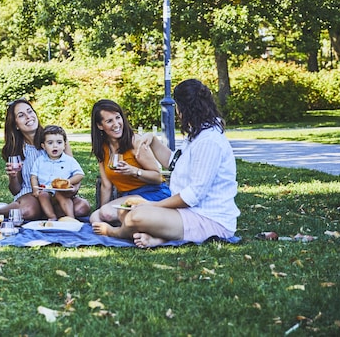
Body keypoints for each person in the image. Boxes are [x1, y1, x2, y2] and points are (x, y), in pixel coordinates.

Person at [97, 79, 240, 248]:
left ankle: (116, 233)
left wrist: (152, 205)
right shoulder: (198, 134)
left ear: (184, 109)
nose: (177, 113)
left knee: (135, 216)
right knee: (126, 209)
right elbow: (174, 163)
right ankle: (159, 238)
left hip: (209, 220)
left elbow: (193, 195)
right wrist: (153, 140)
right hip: (187, 213)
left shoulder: (209, 141)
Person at [0, 99, 90, 220]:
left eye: (30, 111)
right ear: (15, 125)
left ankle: (47, 213)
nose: (28, 117)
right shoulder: (16, 149)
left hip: (58, 194)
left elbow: (72, 169)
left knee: (82, 208)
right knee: (28, 211)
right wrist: (13, 176)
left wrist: (71, 189)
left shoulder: (55, 139)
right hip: (31, 194)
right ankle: (1, 209)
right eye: (21, 115)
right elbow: (15, 190)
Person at [89, 99, 171, 234]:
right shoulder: (102, 148)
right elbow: (106, 185)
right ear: (99, 125)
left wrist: (134, 171)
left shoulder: (135, 142)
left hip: (153, 194)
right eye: (109, 121)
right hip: (128, 197)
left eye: (118, 118)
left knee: (107, 213)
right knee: (95, 217)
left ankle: (123, 230)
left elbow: (157, 177)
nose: (116, 124)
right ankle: (136, 227)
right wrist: (102, 212)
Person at [29, 125, 88, 220]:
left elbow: (80, 175)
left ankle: (71, 218)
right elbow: (34, 176)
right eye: (50, 143)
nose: (55, 146)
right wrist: (35, 190)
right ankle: (52, 216)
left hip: (62, 191)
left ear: (65, 145)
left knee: (60, 194)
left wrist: (68, 182)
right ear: (43, 146)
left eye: (59, 142)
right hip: (46, 190)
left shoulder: (69, 160)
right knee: (42, 195)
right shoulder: (40, 160)